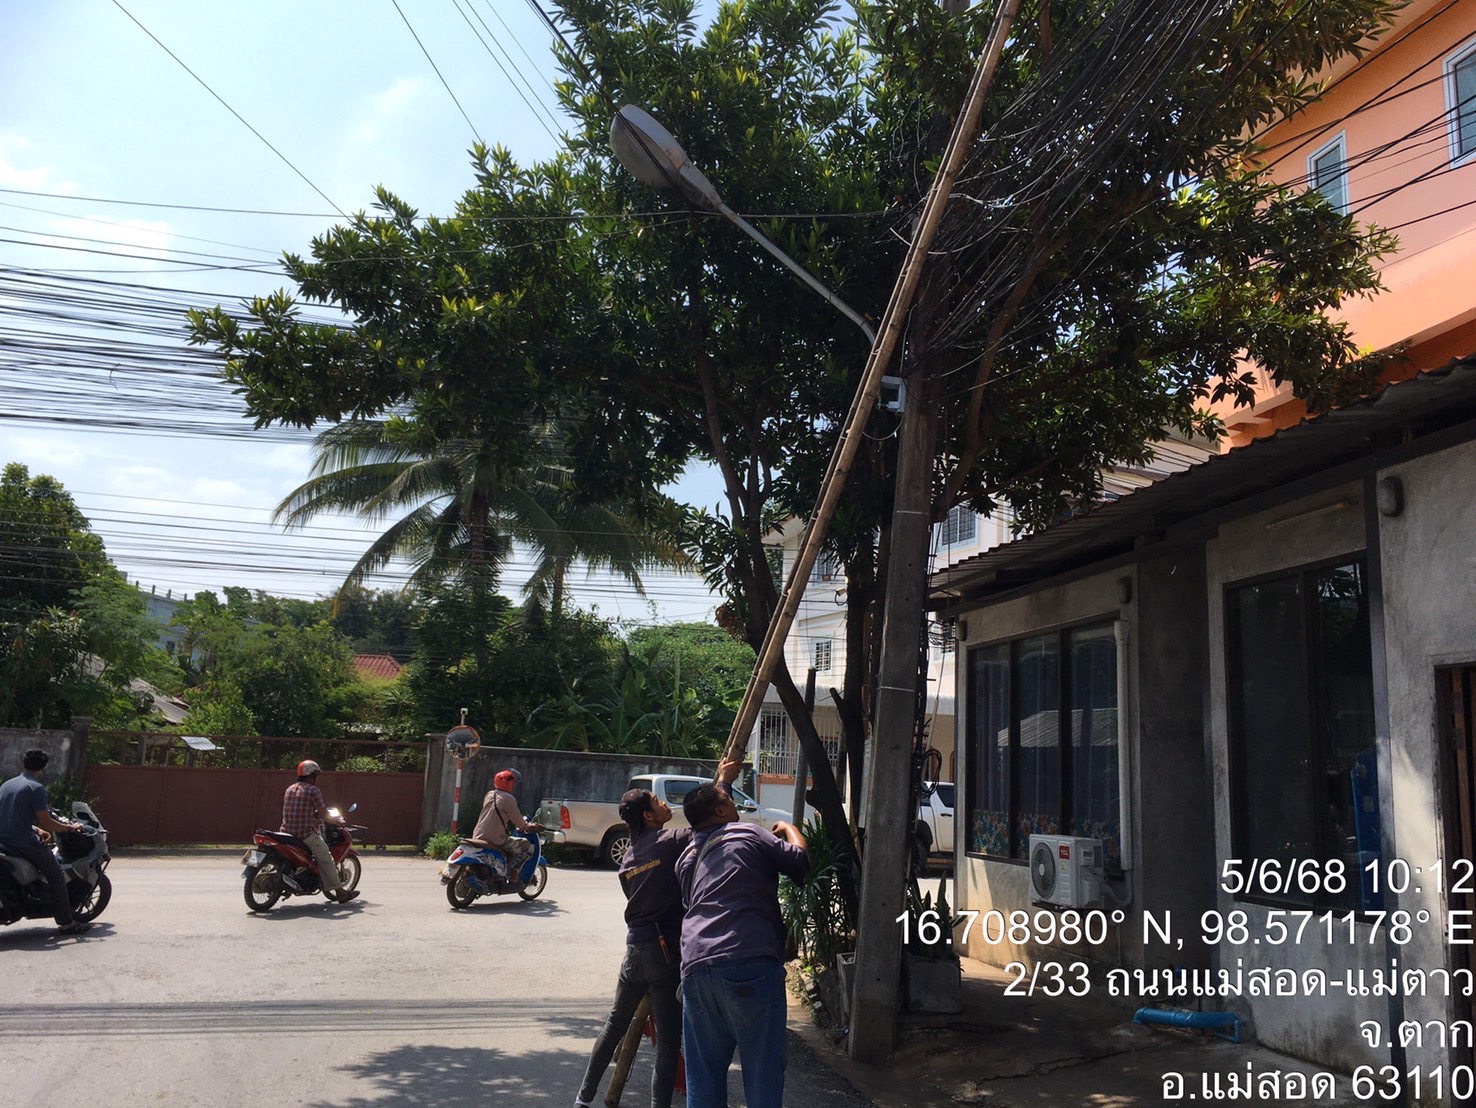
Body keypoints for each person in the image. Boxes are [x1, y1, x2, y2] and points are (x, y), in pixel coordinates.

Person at [575, 759, 742, 1108]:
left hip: (634, 952)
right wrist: (723, 782)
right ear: (649, 817)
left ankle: (583, 1099)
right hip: (666, 954)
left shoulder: (627, 860)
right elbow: (713, 823)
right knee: (667, 1044)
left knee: (613, 1027)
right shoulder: (672, 841)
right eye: (656, 800)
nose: (663, 802)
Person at [675, 780, 810, 1108]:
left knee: (703, 1079)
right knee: (763, 1071)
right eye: (730, 799)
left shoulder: (686, 859)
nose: (735, 805)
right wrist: (790, 829)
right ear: (721, 811)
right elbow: (799, 862)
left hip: (695, 967)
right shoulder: (746, 833)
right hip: (748, 958)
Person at [0, 748, 92, 934]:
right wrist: (70, 828)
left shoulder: (7, 785)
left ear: (24, 763)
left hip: (4, 841)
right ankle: (67, 922)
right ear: (43, 767)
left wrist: (36, 829)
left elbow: (12, 816)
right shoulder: (36, 788)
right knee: (56, 874)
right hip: (23, 844)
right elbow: (47, 822)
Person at [279, 759, 359, 904]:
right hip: (304, 834)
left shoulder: (290, 789)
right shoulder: (313, 790)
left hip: (286, 833)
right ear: (313, 775)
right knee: (326, 858)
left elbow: (301, 808)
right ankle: (340, 892)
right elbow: (324, 814)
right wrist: (338, 822)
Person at [470, 768, 542, 875]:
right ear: (508, 784)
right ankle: (512, 872)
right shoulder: (508, 798)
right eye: (513, 782)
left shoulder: (489, 794)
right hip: (495, 839)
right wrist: (527, 826)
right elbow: (520, 823)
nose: (514, 785)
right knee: (524, 844)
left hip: (478, 835)